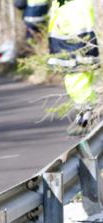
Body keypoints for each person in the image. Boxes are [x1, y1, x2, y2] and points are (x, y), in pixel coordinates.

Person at [47, 0, 99, 135]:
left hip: (72, 41)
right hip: (74, 38)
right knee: (82, 80)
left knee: (76, 81)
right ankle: (88, 115)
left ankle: (86, 117)